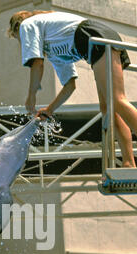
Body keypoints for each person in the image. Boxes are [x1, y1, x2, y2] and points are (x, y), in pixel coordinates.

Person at [8, 10, 137, 168]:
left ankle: (129, 161)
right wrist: (50, 109)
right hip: (94, 42)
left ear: (17, 29)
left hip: (94, 36)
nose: (21, 43)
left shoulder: (27, 25)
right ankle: (129, 162)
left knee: (117, 100)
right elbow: (70, 85)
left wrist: (31, 96)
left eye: (17, 39)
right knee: (108, 109)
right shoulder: (54, 45)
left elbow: (37, 64)